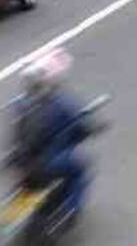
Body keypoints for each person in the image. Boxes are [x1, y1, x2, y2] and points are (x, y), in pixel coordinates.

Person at [9, 48, 92, 220]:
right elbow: (81, 126)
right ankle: (70, 210)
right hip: (49, 161)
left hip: (22, 163)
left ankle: (16, 214)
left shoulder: (20, 104)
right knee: (81, 168)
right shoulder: (61, 102)